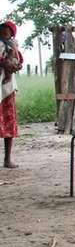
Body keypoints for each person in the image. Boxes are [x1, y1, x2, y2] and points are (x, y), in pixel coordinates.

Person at [0, 20, 23, 168]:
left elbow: (19, 61)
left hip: (6, 89)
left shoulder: (12, 45)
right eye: (2, 29)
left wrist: (12, 63)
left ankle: (7, 159)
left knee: (8, 122)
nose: (3, 32)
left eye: (6, 30)